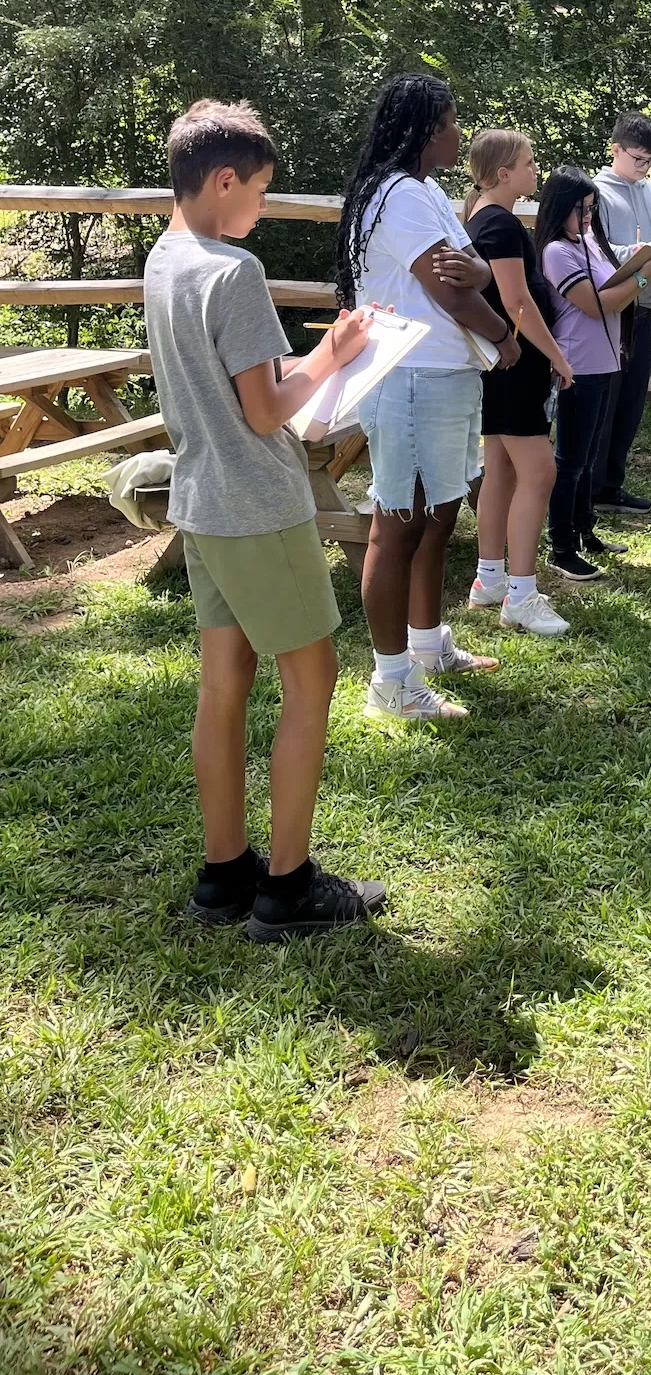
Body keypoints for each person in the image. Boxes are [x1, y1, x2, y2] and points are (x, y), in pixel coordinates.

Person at [144, 98, 386, 941]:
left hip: (203, 504)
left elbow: (229, 381)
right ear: (223, 179)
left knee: (223, 686)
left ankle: (225, 874)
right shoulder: (232, 272)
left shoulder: (166, 257)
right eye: (260, 193)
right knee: (310, 684)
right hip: (258, 505)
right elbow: (264, 409)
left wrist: (302, 366)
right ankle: (287, 888)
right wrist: (335, 354)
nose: (263, 209)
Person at [335, 74, 520, 724]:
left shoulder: (428, 192)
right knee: (399, 523)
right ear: (421, 130)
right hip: (412, 373)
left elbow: (469, 265)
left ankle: (425, 646)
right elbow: (451, 289)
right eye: (448, 122)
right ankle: (391, 684)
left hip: (444, 373)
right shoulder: (399, 197)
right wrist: (504, 335)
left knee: (439, 515)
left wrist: (476, 277)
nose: (458, 131)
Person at [463, 129, 576, 638]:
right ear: (503, 173)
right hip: (515, 366)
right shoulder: (501, 224)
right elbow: (515, 304)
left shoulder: (482, 218)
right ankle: (521, 596)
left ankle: (490, 578)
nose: (536, 171)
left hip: (499, 368)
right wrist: (558, 355)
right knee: (540, 474)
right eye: (529, 164)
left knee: (503, 470)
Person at [536, 166, 651, 579]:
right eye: (581, 210)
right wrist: (650, 272)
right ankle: (560, 546)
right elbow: (597, 304)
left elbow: (614, 280)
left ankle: (585, 532)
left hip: (606, 361)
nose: (588, 219)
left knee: (589, 458)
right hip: (577, 366)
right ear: (559, 209)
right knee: (571, 460)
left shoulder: (588, 241)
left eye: (592, 209)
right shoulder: (556, 252)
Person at [592, 111, 651, 515]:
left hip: (647, 303)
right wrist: (646, 252)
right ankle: (589, 486)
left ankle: (612, 483)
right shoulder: (596, 194)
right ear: (615, 150)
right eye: (637, 159)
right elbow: (599, 253)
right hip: (614, 307)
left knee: (631, 400)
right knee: (605, 398)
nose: (644, 168)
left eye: (650, 161)